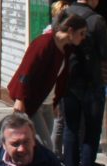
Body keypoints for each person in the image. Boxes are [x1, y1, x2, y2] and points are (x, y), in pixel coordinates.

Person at [6, 13, 89, 147]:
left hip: (48, 103)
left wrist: (55, 102)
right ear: (70, 31)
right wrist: (20, 99)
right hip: (32, 102)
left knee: (38, 147)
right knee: (46, 146)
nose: (83, 37)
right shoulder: (44, 43)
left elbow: (58, 79)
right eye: (81, 33)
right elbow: (26, 71)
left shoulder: (66, 49)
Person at [62, 0, 107, 166]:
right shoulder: (97, 20)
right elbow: (105, 53)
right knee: (92, 130)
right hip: (91, 83)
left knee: (71, 128)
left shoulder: (64, 15)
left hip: (69, 82)